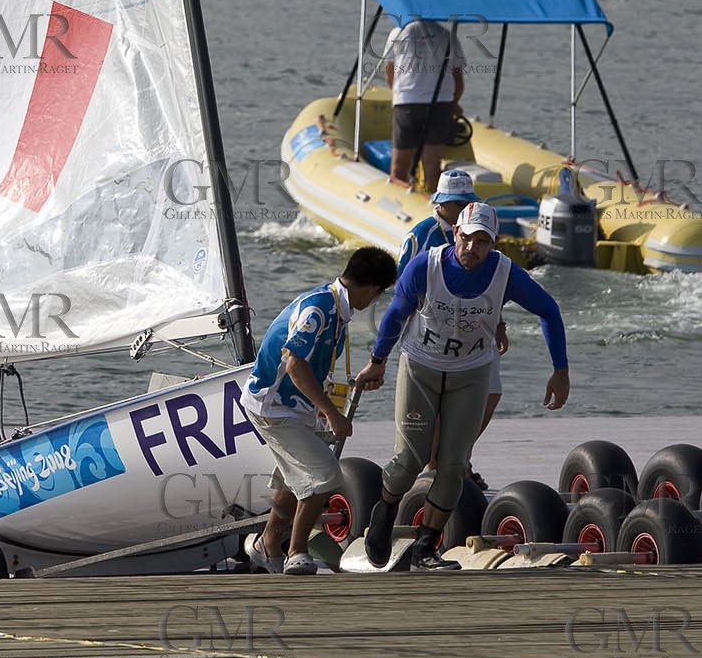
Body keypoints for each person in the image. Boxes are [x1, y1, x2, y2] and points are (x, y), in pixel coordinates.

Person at [355, 202, 569, 571]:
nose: (472, 249)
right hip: (420, 367)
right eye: (467, 239)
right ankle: (385, 512)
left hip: (470, 373)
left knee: (454, 466)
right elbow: (395, 314)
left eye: (482, 242)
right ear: (455, 233)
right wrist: (377, 360)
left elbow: (549, 310)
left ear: (493, 243)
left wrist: (560, 369)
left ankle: (425, 547)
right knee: (410, 460)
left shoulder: (505, 273)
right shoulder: (426, 266)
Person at [242, 246, 396, 576]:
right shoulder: (319, 310)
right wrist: (332, 413)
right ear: (371, 288)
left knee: (291, 480)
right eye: (379, 295)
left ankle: (266, 544)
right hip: (273, 405)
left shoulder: (336, 308)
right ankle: (296, 551)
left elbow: (316, 367)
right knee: (324, 477)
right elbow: (294, 364)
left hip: (294, 405)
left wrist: (351, 386)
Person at [397, 168, 507, 487]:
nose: (461, 208)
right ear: (440, 203)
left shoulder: (477, 229)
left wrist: (499, 322)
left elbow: (492, 284)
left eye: (465, 201)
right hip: (431, 330)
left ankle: (455, 455)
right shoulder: (420, 235)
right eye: (455, 202)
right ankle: (438, 464)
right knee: (440, 401)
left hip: (476, 328)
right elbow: (404, 286)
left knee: (492, 391)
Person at [383, 17, 465, 192]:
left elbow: (390, 71)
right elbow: (457, 78)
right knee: (432, 164)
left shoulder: (398, 33)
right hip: (439, 103)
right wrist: (454, 103)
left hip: (407, 102)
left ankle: (398, 200)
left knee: (400, 165)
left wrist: (397, 94)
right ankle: (435, 205)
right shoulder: (447, 36)